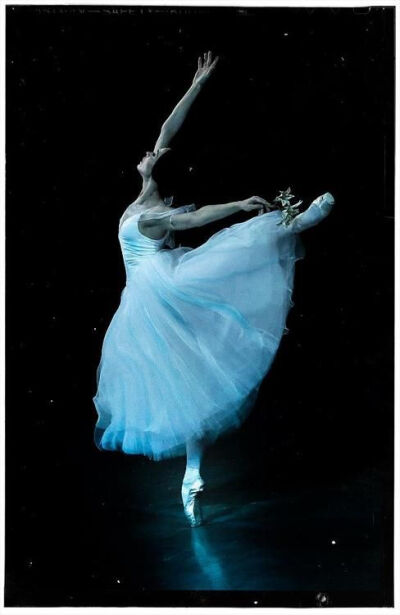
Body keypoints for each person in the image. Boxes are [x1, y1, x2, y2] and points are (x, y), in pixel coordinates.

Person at [93, 51, 335, 527]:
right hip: (158, 291)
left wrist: (198, 83)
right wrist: (239, 202)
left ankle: (192, 473)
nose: (149, 155)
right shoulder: (150, 213)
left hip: (155, 289)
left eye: (149, 156)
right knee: (186, 387)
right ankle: (192, 473)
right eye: (147, 157)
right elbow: (197, 217)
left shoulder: (145, 194)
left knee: (190, 382)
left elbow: (167, 129)